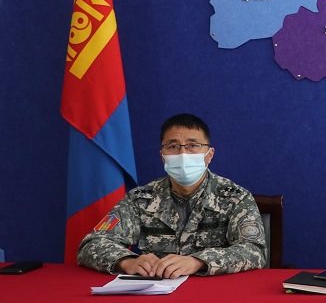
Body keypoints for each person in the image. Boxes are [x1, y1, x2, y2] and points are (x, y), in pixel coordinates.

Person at [78, 113, 267, 278]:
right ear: (163, 156)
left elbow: (254, 251)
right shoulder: (140, 199)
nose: (183, 153)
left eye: (193, 145)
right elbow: (92, 244)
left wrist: (198, 261)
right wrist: (127, 262)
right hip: (156, 295)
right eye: (173, 146)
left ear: (209, 155)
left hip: (213, 294)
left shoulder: (235, 198)